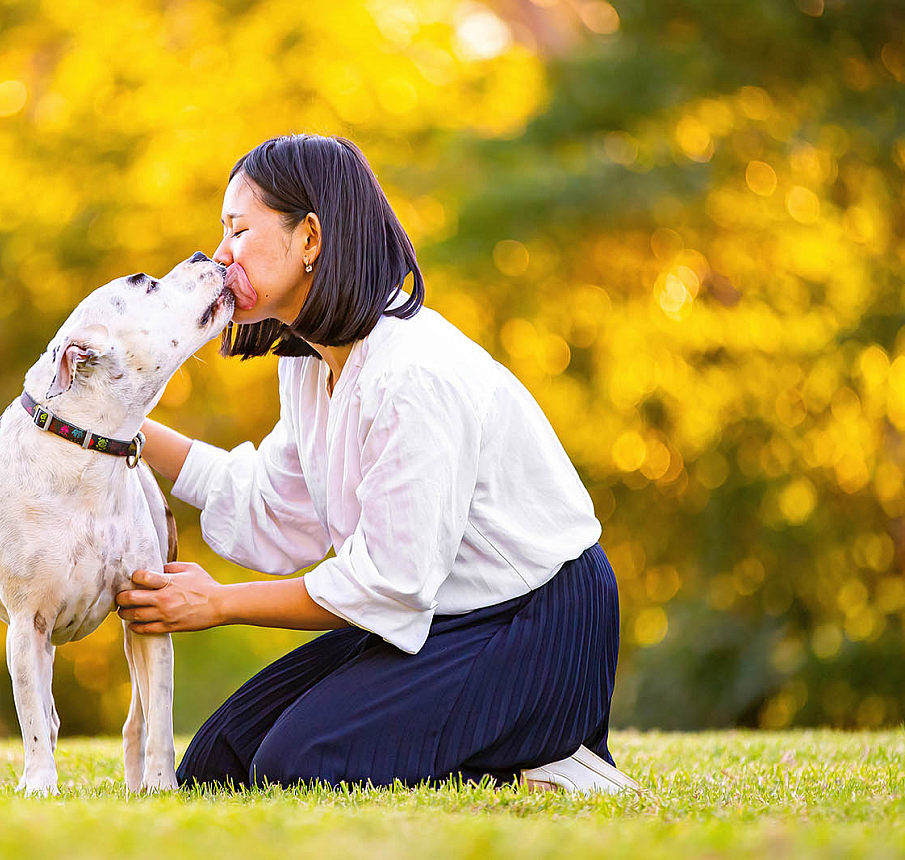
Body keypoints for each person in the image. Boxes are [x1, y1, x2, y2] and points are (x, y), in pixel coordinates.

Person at [114, 133, 641, 794]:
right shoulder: (311, 367)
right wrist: (118, 427)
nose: (221, 254)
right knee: (218, 759)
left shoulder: (412, 375)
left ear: (310, 238)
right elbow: (271, 505)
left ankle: (549, 754)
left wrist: (219, 603)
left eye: (238, 230)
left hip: (537, 622)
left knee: (297, 766)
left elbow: (389, 580)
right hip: (444, 614)